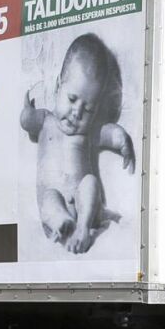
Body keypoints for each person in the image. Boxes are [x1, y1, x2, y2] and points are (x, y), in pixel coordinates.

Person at [21, 32, 135, 254]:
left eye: (88, 108)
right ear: (57, 88)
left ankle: (83, 228)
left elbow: (110, 133)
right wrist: (27, 110)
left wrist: (123, 142)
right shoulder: (46, 121)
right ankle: (61, 223)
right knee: (48, 199)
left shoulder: (88, 132)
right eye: (72, 99)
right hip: (55, 197)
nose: (77, 112)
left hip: (82, 202)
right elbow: (27, 122)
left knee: (90, 182)